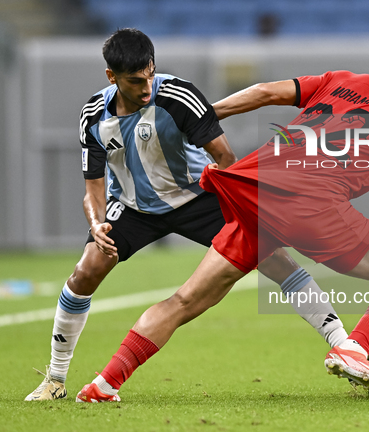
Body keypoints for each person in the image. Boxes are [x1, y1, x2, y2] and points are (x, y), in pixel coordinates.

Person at [74, 49, 369, 402]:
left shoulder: (344, 80)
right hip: (312, 204)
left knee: (187, 299)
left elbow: (265, 92)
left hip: (257, 187)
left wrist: (204, 119)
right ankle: (354, 348)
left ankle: (104, 384)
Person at [24, 28, 348, 402]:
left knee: (275, 259)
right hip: (133, 207)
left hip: (199, 197)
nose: (146, 88)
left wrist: (243, 211)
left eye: (149, 75)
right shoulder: (93, 116)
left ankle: (343, 345)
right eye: (134, 81)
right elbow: (93, 189)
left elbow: (226, 159)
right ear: (111, 77)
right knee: (86, 271)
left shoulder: (178, 95)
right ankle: (55, 379)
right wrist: (96, 225)